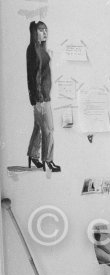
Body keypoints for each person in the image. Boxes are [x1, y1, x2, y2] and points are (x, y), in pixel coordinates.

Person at [26, 21, 60, 172]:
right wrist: (36, 98)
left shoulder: (42, 49)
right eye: (41, 30)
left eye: (46, 30)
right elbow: (32, 77)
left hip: (44, 96)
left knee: (38, 128)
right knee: (48, 129)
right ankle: (48, 160)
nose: (45, 33)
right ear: (35, 32)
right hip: (40, 98)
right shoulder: (33, 49)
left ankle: (33, 155)